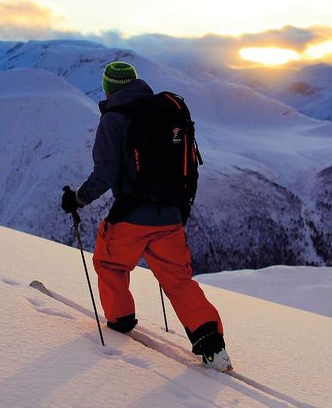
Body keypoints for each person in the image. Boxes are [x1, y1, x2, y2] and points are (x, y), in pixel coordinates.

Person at [61, 61, 231, 372]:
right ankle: (213, 345)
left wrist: (77, 199)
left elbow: (105, 173)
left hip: (132, 217)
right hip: (171, 215)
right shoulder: (167, 111)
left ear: (109, 87)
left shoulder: (114, 119)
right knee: (178, 280)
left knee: (110, 264)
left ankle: (120, 321)